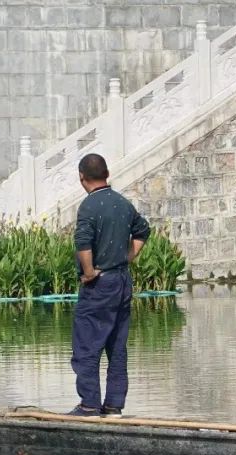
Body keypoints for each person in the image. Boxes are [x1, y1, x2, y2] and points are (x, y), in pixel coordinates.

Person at [68, 153, 152, 416]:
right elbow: (143, 230)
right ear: (107, 174)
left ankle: (89, 405)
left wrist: (89, 272)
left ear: (82, 177)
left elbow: (83, 242)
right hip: (122, 281)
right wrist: (128, 257)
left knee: (86, 346)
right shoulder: (122, 203)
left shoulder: (89, 206)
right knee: (117, 346)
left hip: (100, 284)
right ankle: (114, 405)